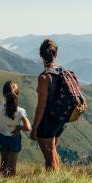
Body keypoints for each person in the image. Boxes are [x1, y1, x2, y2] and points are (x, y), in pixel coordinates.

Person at [0, 81, 31, 177]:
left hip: (2, 138)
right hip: (14, 139)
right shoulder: (21, 112)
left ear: (4, 95)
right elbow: (28, 127)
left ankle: (1, 181)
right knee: (12, 164)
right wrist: (18, 127)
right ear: (18, 94)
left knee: (4, 161)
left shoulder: (0, 108)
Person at [30, 39, 65, 171]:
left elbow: (41, 106)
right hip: (60, 119)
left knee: (49, 159)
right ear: (55, 54)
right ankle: (59, 182)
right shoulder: (62, 71)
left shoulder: (44, 77)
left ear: (41, 56)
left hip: (48, 122)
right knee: (53, 153)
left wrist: (34, 128)